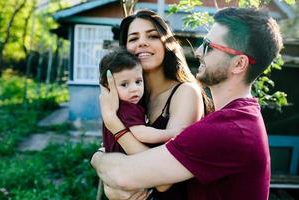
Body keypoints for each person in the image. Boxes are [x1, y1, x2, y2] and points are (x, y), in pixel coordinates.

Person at [91, 7, 283, 200]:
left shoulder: (228, 130)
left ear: (239, 64)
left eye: (208, 46)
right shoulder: (229, 120)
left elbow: (125, 176)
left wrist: (100, 154)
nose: (198, 51)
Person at [97, 9, 206, 200]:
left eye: (153, 36)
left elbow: (163, 181)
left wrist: (113, 123)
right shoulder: (133, 97)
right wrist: (97, 162)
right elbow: (106, 149)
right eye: (133, 38)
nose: (142, 42)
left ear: (167, 44)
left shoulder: (185, 93)